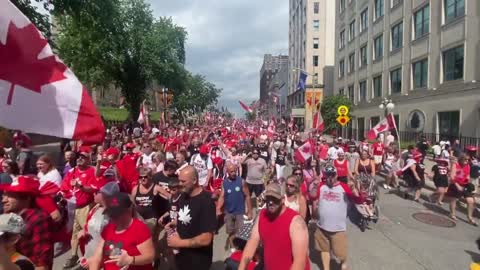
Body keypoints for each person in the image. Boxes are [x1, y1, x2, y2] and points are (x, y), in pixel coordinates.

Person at [239, 183, 310, 270]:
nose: (271, 202)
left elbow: (299, 262)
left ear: (283, 200)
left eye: (274, 199)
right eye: (268, 199)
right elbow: (251, 244)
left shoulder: (296, 223)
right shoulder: (262, 215)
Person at [85, 192, 155, 270]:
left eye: (117, 214)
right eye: (111, 214)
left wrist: (130, 260)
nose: (113, 217)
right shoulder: (108, 229)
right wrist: (92, 262)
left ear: (129, 210)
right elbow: (97, 257)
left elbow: (150, 256)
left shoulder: (139, 228)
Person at [166, 166, 217, 270]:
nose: (180, 184)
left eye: (183, 181)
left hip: (197, 261)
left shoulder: (206, 202)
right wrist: (174, 223)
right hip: (181, 257)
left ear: (194, 180)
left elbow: (206, 238)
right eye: (179, 180)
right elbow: (186, 216)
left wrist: (179, 243)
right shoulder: (184, 196)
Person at [1, 175, 54, 270]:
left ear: (27, 198)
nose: (4, 200)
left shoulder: (39, 219)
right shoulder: (10, 217)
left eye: (10, 196)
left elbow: (42, 265)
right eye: (4, 195)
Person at [312, 165, 359, 270]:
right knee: (324, 249)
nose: (330, 177)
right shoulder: (321, 186)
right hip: (322, 226)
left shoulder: (344, 187)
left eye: (332, 175)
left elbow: (358, 200)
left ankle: (344, 263)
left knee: (340, 253)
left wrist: (354, 189)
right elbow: (312, 196)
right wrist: (315, 186)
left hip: (338, 228)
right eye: (327, 175)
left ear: (336, 175)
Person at [61, 148, 97, 269]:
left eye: (83, 157)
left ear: (88, 160)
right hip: (74, 207)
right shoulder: (72, 171)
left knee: (86, 234)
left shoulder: (92, 171)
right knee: (75, 233)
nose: (80, 159)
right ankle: (73, 255)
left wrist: (80, 186)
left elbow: (93, 189)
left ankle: (88, 258)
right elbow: (64, 186)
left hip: (87, 206)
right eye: (78, 157)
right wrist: (67, 194)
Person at [78, 181, 119, 259]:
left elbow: (114, 241)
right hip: (90, 255)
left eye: (96, 192)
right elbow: (87, 226)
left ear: (104, 195)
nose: (93, 194)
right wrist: (83, 231)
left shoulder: (113, 215)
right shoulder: (95, 208)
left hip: (104, 258)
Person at [216, 164, 253, 251]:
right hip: (228, 212)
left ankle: (240, 247)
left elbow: (247, 196)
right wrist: (218, 208)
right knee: (230, 231)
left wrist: (250, 211)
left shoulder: (241, 181)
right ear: (227, 172)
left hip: (240, 211)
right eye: (231, 171)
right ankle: (232, 246)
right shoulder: (224, 183)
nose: (233, 173)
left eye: (234, 171)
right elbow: (222, 196)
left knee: (240, 231)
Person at [447, 154, 477, 226]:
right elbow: (452, 176)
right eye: (465, 159)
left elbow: (468, 175)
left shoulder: (468, 166)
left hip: (464, 185)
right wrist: (457, 186)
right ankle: (452, 214)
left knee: (471, 201)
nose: (467, 161)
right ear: (461, 159)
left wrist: (468, 179)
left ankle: (469, 217)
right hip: (455, 184)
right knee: (454, 199)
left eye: (468, 160)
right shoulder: (455, 165)